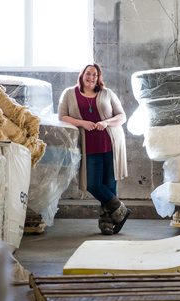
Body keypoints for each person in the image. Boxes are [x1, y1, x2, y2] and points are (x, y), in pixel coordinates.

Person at [58, 63, 131, 235]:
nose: (91, 78)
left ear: (99, 78)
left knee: (109, 184)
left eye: (95, 75)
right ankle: (120, 209)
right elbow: (62, 116)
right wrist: (82, 123)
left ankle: (107, 223)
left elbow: (122, 116)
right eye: (88, 74)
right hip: (88, 146)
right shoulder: (69, 93)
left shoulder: (107, 93)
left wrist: (106, 122)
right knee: (93, 184)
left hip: (110, 143)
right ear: (82, 75)